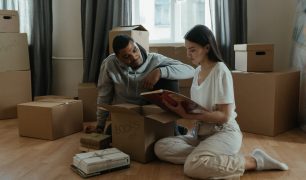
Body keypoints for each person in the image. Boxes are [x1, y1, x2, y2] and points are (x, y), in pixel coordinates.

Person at [154, 25, 288, 179]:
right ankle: (209, 158)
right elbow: (197, 106)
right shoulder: (197, 70)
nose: (188, 54)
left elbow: (224, 116)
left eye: (192, 50)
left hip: (223, 132)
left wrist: (189, 116)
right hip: (200, 134)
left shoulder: (220, 71)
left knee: (192, 167)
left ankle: (254, 161)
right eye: (187, 49)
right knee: (161, 147)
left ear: (207, 48)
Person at [88, 35, 195, 135]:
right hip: (128, 113)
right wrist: (100, 126)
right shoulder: (110, 64)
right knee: (111, 133)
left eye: (135, 50)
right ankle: (161, 129)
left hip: (151, 111)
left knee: (170, 78)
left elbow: (191, 70)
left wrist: (160, 72)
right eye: (126, 56)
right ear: (117, 57)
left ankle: (173, 129)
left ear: (137, 45)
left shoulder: (154, 59)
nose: (134, 57)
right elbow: (104, 95)